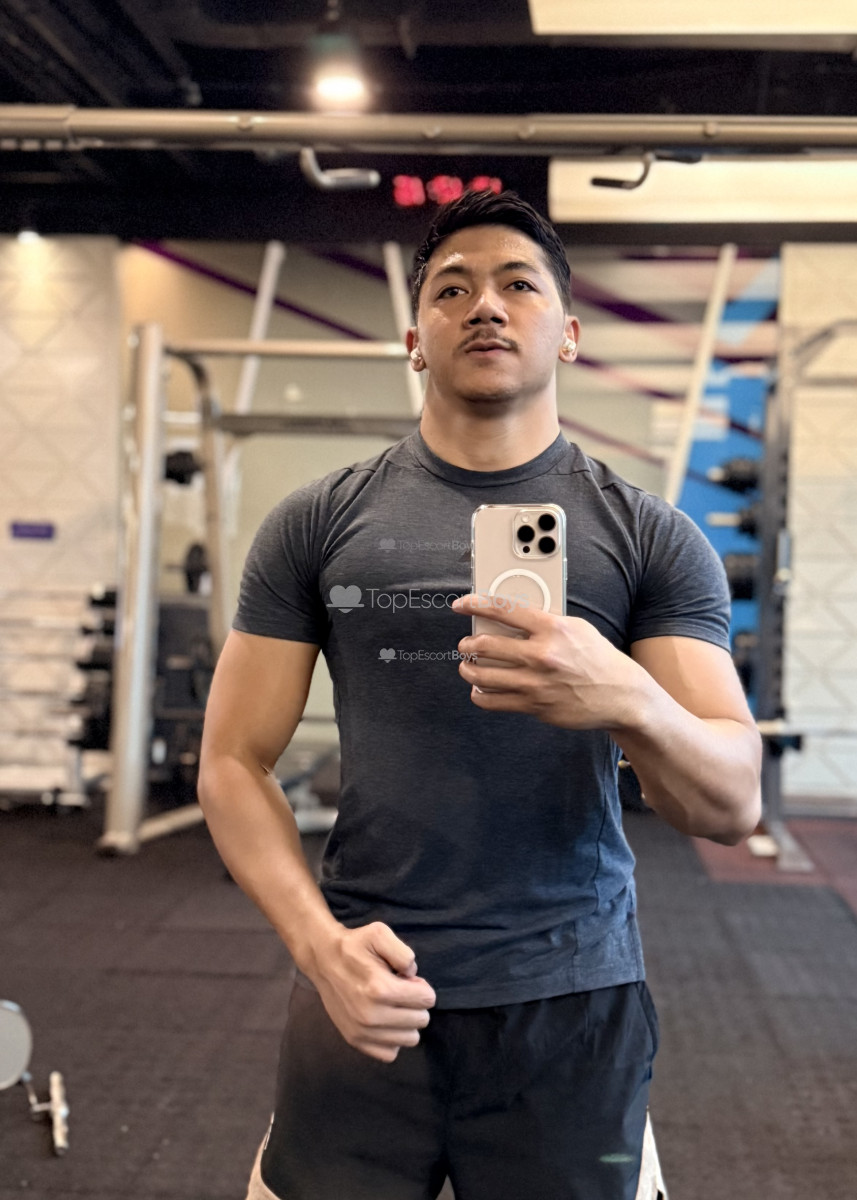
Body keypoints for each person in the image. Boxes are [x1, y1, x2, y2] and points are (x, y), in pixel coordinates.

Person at [198, 190, 762, 1200]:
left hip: (569, 998)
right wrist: (319, 949)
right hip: (366, 981)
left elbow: (730, 800)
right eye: (452, 290)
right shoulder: (315, 522)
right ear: (415, 340)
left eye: (518, 285)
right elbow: (232, 761)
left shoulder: (650, 537)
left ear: (569, 333)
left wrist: (627, 697)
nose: (486, 306)